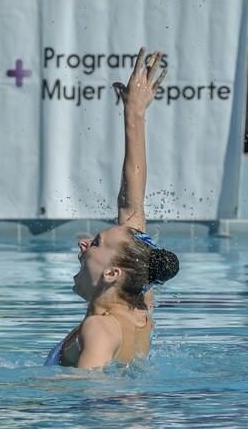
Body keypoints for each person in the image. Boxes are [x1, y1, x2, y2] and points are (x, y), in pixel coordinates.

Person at [45, 47, 180, 369]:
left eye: (95, 243)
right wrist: (134, 114)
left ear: (112, 273)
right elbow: (131, 202)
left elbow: (90, 393)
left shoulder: (100, 328)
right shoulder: (139, 311)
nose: (82, 243)